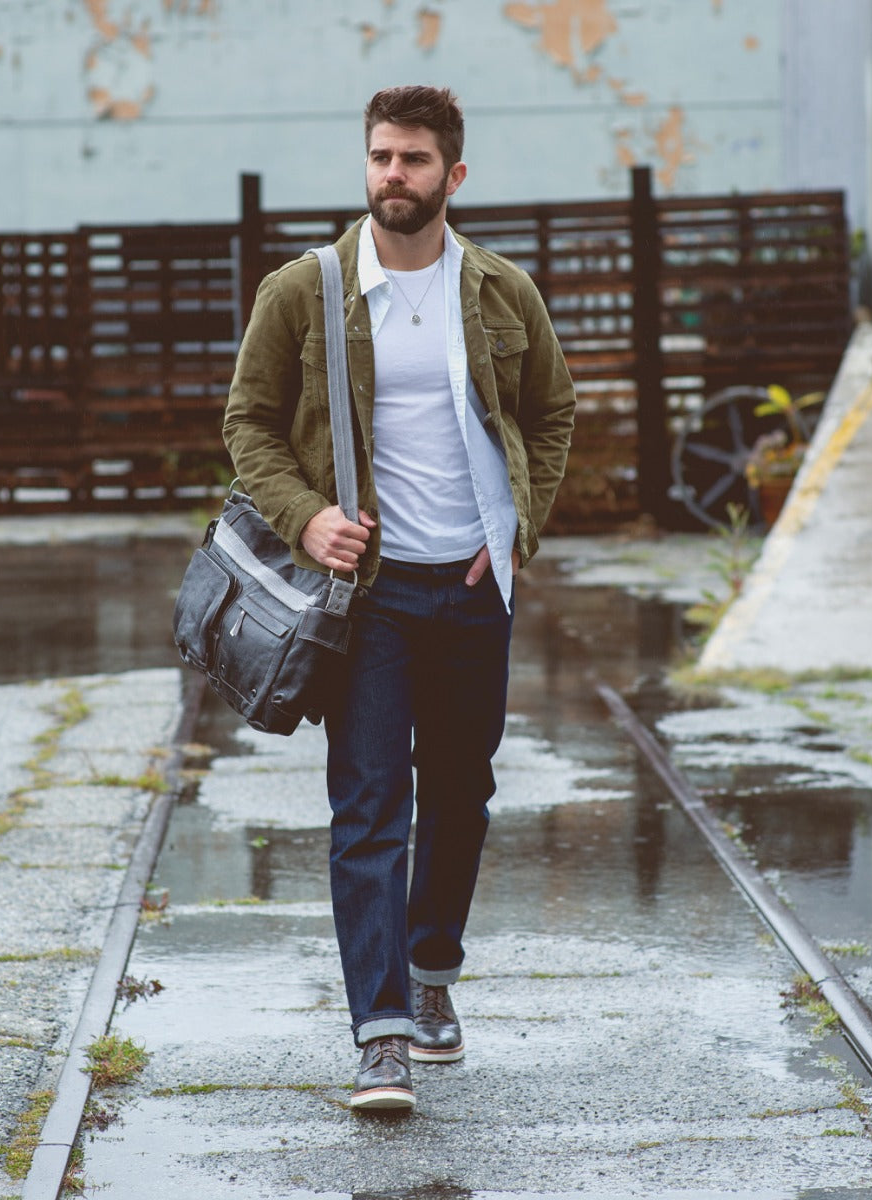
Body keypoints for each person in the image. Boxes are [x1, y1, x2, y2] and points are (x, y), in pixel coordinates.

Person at [222, 85, 575, 1111]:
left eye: (414, 160)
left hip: (471, 589)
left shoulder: (503, 292)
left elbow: (550, 413)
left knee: (459, 792)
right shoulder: (306, 291)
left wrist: (517, 524)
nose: (393, 177)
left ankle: (429, 977)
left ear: (451, 176)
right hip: (365, 597)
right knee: (369, 803)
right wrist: (304, 518)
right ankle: (378, 1031)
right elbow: (249, 424)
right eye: (380, 157)